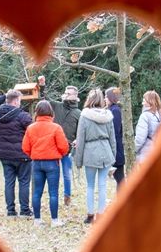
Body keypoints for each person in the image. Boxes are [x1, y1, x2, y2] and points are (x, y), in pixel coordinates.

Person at [22, 100, 70, 226]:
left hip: (36, 163)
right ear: (50, 111)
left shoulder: (31, 128)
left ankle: (37, 220)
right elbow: (64, 146)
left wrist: (34, 155)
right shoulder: (56, 127)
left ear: (37, 112)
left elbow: (25, 147)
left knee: (37, 192)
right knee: (53, 193)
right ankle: (54, 220)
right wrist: (60, 154)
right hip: (52, 163)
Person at [74, 89, 117, 224]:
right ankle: (101, 214)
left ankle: (90, 214)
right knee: (102, 184)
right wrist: (113, 156)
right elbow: (112, 139)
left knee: (90, 185)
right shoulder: (108, 116)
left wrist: (78, 161)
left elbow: (80, 139)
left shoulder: (84, 116)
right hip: (105, 151)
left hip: (90, 152)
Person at [37, 76, 80, 206]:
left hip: (68, 149)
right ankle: (53, 197)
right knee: (53, 175)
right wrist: (42, 85)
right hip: (53, 147)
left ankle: (67, 197)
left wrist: (77, 139)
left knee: (66, 174)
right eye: (65, 93)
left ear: (75, 96)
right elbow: (43, 100)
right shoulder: (57, 106)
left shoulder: (78, 113)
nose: (65, 95)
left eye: (69, 93)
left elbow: (81, 131)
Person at [0, 89, 33, 217]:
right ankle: (25, 210)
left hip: (5, 154)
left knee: (9, 182)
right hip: (22, 154)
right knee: (24, 182)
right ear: (15, 101)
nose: (20, 103)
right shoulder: (22, 116)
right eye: (19, 101)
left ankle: (10, 210)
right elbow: (32, 129)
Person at [134, 90, 161, 163]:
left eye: (144, 100)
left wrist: (134, 150)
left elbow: (140, 138)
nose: (142, 103)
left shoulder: (145, 116)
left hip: (147, 154)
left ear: (150, 102)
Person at [105, 87, 126, 189]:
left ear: (111, 97)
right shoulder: (111, 109)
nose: (104, 99)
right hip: (114, 148)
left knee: (120, 178)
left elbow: (115, 131)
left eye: (106, 96)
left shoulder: (115, 110)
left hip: (116, 148)